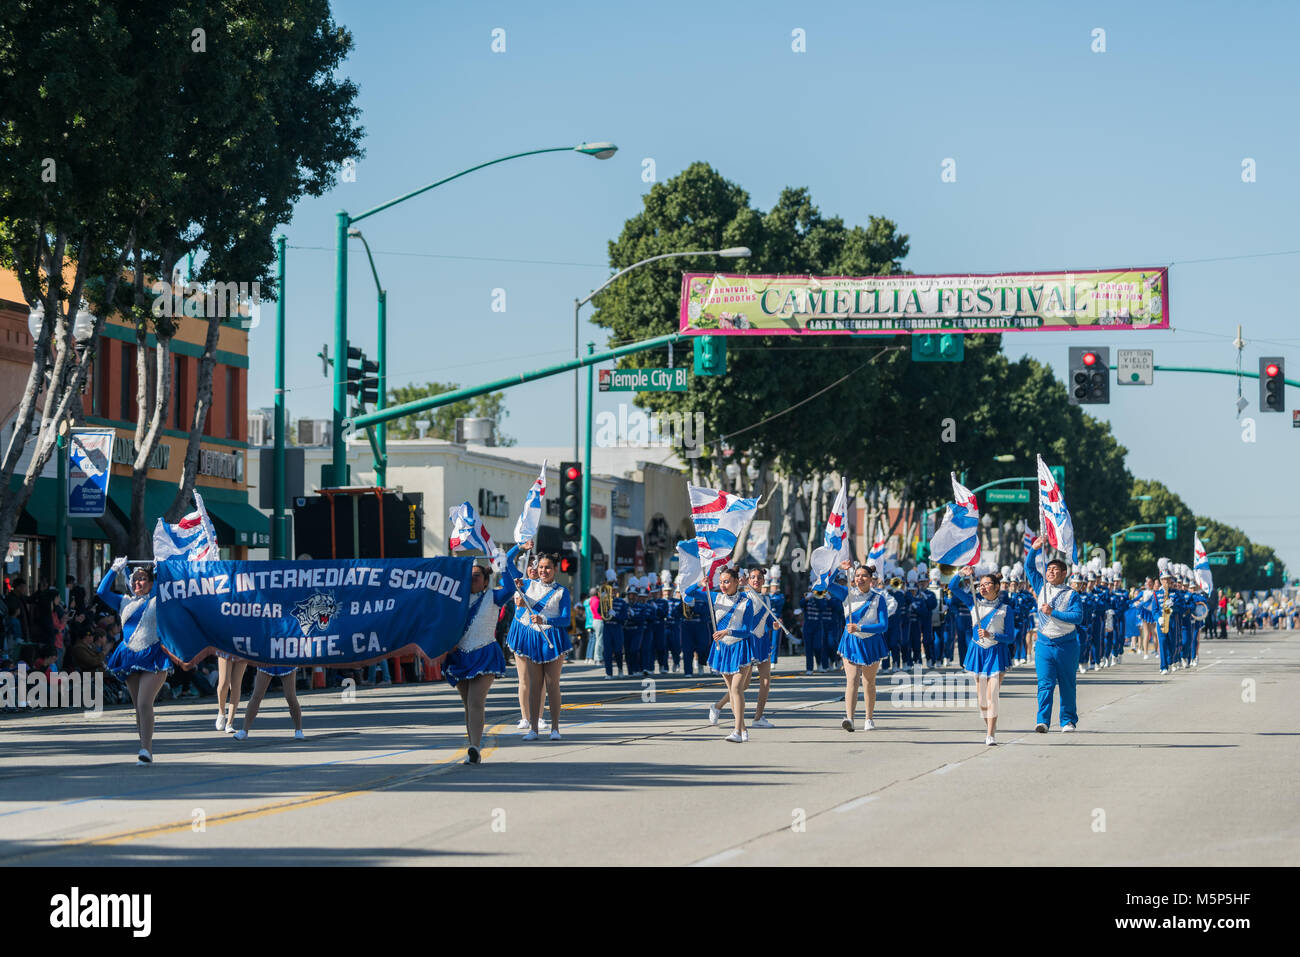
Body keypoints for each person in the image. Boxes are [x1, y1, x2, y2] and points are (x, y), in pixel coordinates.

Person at [98, 558, 190, 764]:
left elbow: (170, 590)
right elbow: (101, 593)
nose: (137, 583)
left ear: (151, 582)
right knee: (137, 706)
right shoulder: (124, 602)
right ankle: (143, 747)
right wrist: (114, 570)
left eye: (143, 579)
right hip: (129, 655)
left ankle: (146, 749)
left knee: (144, 702)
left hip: (154, 655)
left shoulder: (159, 599)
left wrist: (161, 570)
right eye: (135, 579)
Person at [444, 560, 513, 763]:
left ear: (485, 581)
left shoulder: (493, 597)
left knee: (476, 702)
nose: (472, 578)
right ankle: (472, 745)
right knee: (468, 705)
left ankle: (475, 746)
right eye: (470, 575)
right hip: (459, 655)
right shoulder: (455, 600)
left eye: (477, 575)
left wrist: (504, 565)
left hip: (484, 653)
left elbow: (510, 587)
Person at [712, 566, 786, 729]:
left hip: (762, 641)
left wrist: (773, 625)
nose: (756, 580)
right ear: (747, 579)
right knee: (741, 686)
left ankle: (758, 717)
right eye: (753, 577)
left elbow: (765, 623)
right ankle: (720, 707)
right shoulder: (743, 597)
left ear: (763, 580)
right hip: (746, 641)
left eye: (759, 578)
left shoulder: (766, 600)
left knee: (766, 681)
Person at [949, 565, 1015, 745]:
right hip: (977, 651)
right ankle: (991, 726)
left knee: (992, 695)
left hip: (996, 652)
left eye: (987, 584)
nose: (983, 587)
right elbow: (953, 587)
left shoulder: (1006, 610)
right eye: (981, 585)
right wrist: (963, 573)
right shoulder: (973, 603)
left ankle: (990, 734)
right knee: (982, 702)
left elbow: (1010, 637)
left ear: (996, 586)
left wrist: (991, 635)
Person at [1025, 538, 1083, 733]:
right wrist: (1034, 549)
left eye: (1055, 570)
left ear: (1064, 573)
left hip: (1066, 645)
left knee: (1067, 685)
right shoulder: (1041, 586)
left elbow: (1077, 617)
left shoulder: (1071, 594)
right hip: (1044, 645)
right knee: (1045, 685)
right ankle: (1043, 721)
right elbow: (1029, 568)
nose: (1050, 572)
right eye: (1049, 569)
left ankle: (1067, 721)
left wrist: (1053, 612)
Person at [512, 552, 571, 740]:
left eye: (548, 567)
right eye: (541, 567)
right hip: (532, 638)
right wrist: (519, 600)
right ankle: (533, 729)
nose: (543, 570)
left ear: (555, 570)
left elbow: (566, 620)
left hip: (552, 638)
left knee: (552, 684)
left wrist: (544, 618)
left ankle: (555, 729)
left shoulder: (562, 591)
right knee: (534, 685)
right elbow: (518, 600)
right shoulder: (526, 584)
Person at [828, 560, 888, 732]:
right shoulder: (847, 594)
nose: (860, 578)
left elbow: (883, 626)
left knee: (869, 682)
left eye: (864, 576)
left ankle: (869, 718)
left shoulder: (878, 599)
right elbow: (826, 584)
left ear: (871, 579)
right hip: (851, 642)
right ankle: (850, 718)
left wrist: (860, 627)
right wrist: (839, 569)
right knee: (852, 680)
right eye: (857, 575)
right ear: (853, 578)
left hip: (871, 641)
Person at [706, 567, 756, 743]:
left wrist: (727, 631)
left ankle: (737, 731)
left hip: (740, 647)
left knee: (737, 689)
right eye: (720, 582)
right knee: (732, 691)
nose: (723, 585)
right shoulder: (716, 597)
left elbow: (746, 631)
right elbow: (688, 592)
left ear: (736, 581)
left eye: (726, 581)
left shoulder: (746, 602)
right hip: (723, 649)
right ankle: (742, 729)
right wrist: (701, 583)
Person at [233, 665, 303, 740]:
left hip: (285, 659)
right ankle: (244, 730)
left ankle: (298, 730)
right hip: (268, 660)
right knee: (257, 695)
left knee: (290, 696)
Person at [214, 651, 248, 734]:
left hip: (242, 645)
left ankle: (229, 723)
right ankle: (221, 711)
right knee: (224, 683)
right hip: (226, 646)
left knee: (236, 684)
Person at [586, 587, 605, 666]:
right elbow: (599, 611)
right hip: (598, 620)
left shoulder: (592, 600)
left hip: (595, 620)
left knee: (597, 640)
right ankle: (598, 658)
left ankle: (596, 657)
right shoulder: (596, 600)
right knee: (599, 640)